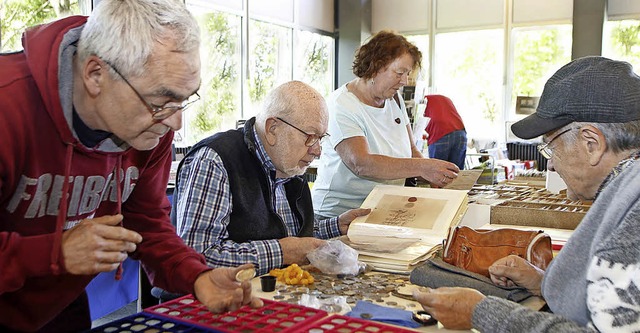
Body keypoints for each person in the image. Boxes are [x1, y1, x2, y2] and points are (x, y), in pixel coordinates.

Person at [0, 0, 262, 331]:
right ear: (96, 74)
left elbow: (146, 222)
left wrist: (197, 276)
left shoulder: (149, 128)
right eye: (161, 102)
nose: (176, 122)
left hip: (58, 306)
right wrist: (54, 253)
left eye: (184, 99)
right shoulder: (8, 108)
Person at [413, 56, 640, 332]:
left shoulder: (635, 211)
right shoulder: (626, 191)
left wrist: (481, 313)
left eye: (550, 147)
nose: (552, 163)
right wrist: (544, 283)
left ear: (592, 143)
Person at [173, 81, 370, 277]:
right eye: (310, 136)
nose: (317, 150)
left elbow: (287, 231)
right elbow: (197, 255)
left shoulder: (289, 163)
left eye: (320, 138)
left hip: (266, 291)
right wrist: (282, 252)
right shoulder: (214, 161)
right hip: (207, 301)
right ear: (273, 128)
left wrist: (335, 226)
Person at [311, 30, 460, 219]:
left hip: (381, 210)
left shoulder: (394, 99)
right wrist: (423, 167)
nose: (404, 81)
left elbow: (411, 150)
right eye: (399, 73)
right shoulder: (341, 105)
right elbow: (361, 163)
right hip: (338, 216)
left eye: (407, 74)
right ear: (375, 67)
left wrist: (437, 173)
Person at [423, 94, 467, 170]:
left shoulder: (422, 102)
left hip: (440, 133)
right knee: (456, 172)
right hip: (460, 132)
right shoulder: (443, 99)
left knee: (437, 172)